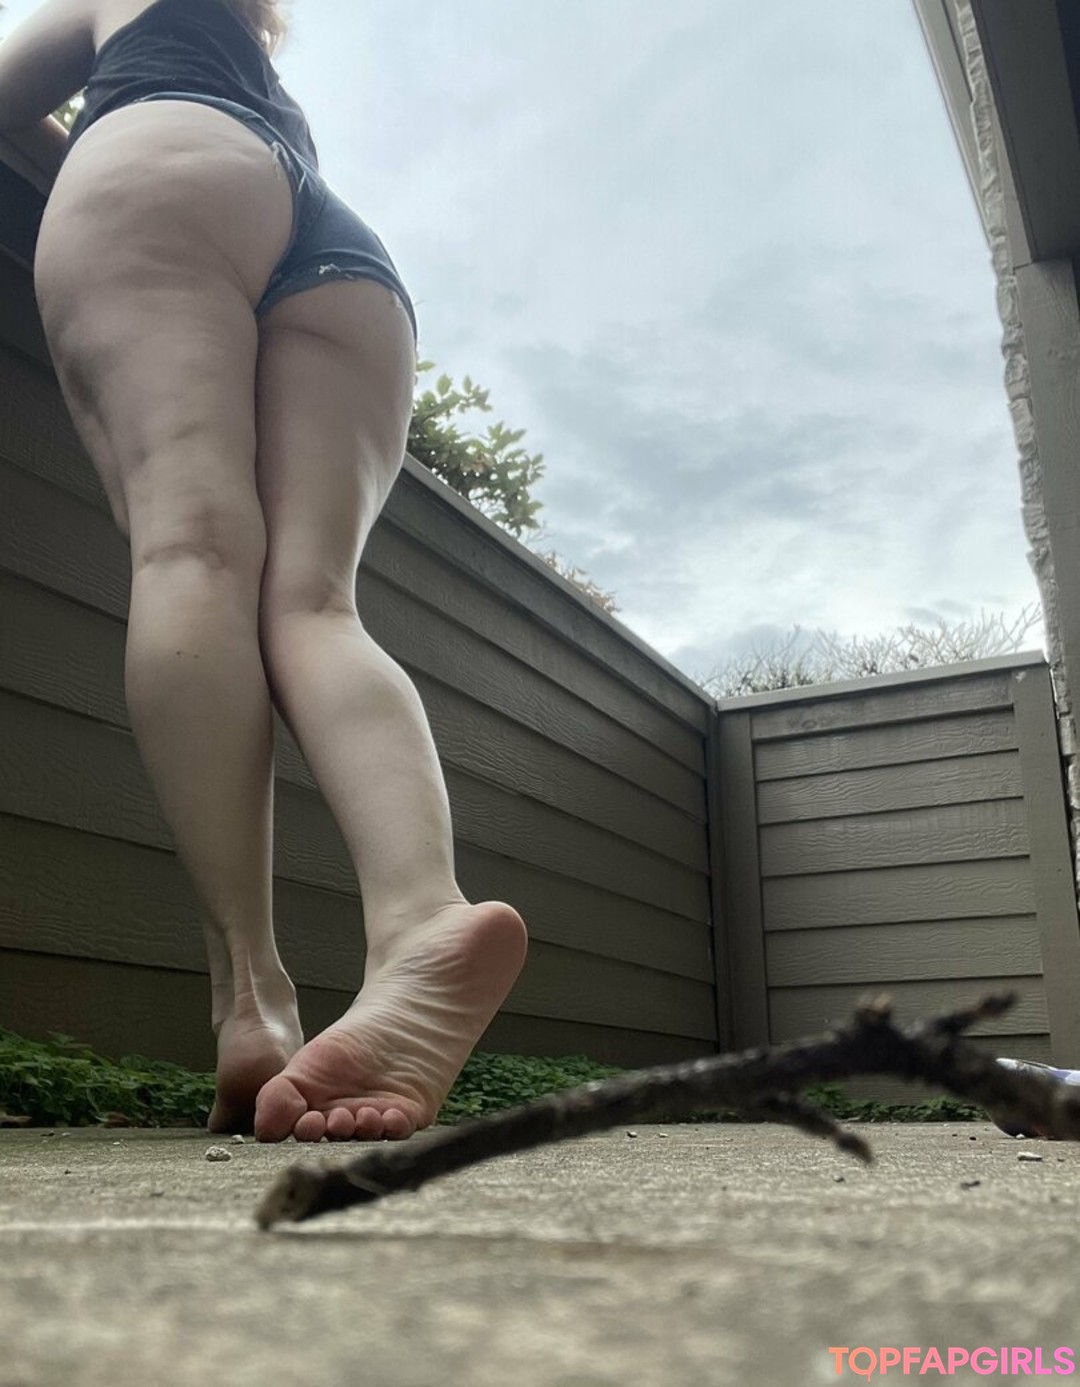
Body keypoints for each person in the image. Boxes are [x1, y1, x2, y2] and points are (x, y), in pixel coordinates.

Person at [0, 0, 528, 1142]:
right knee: (315, 603)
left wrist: (80, 148)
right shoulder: (258, 64)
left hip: (158, 159)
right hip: (340, 247)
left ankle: (250, 998)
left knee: (190, 546)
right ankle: (420, 916)